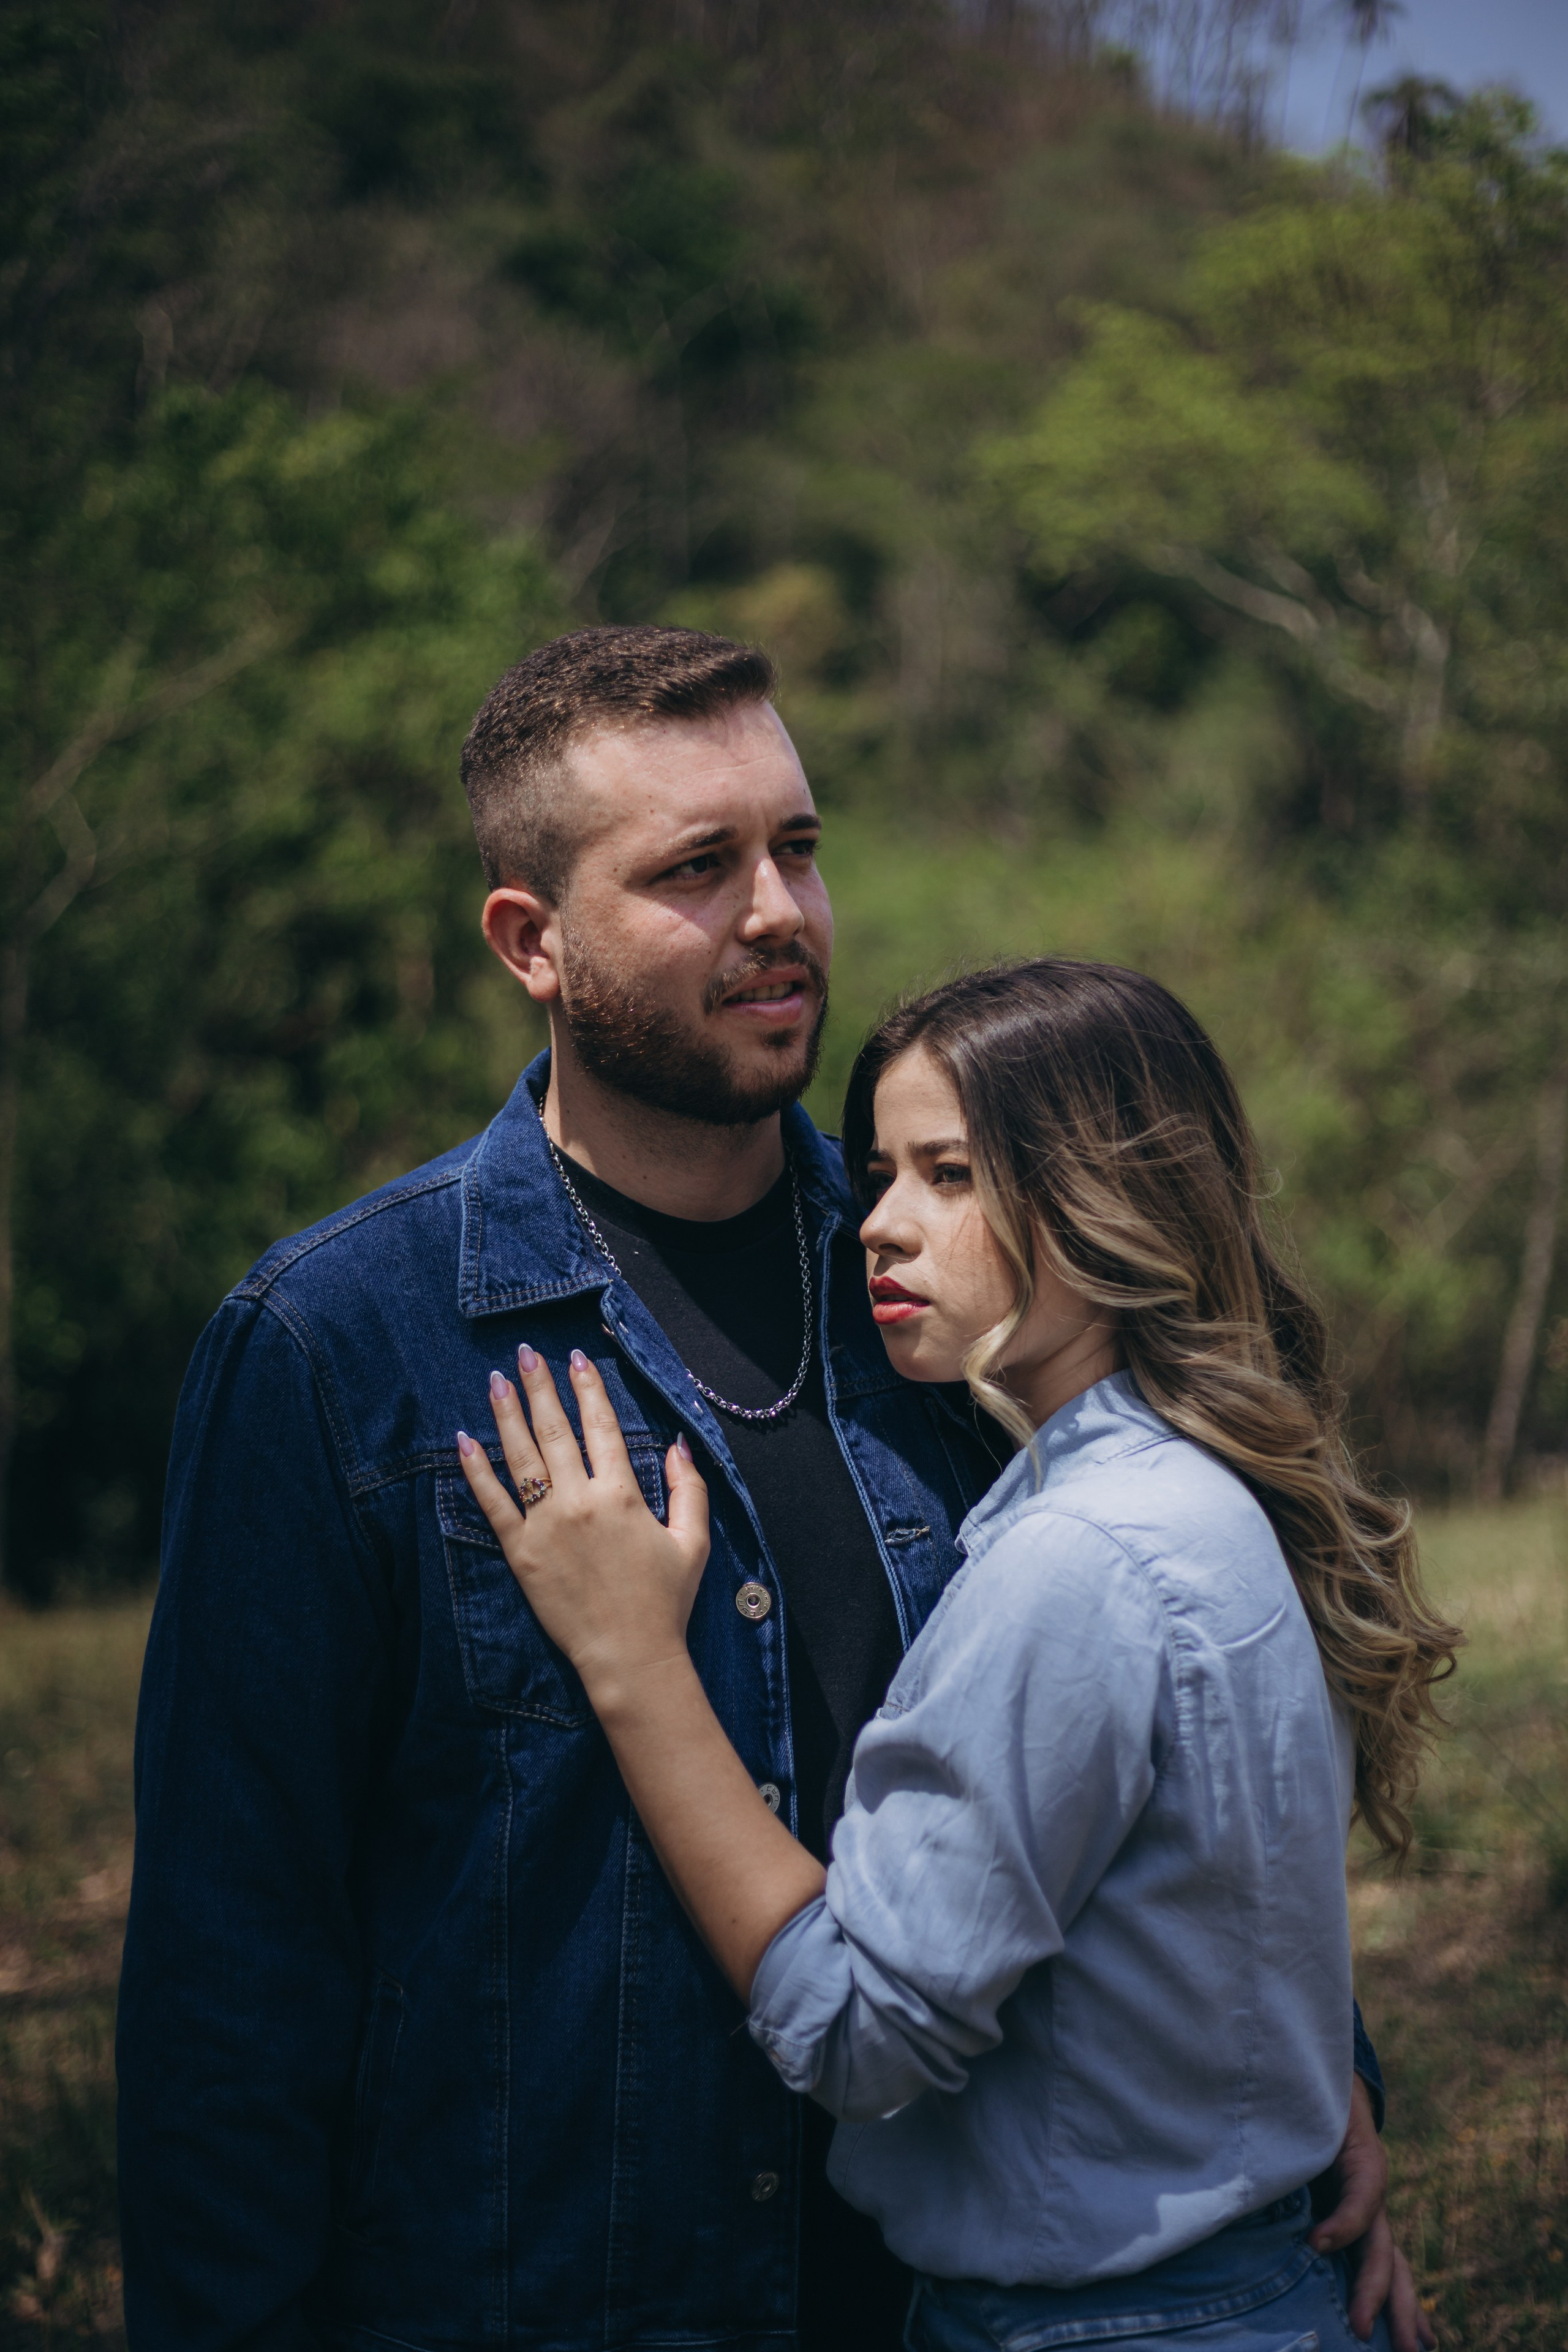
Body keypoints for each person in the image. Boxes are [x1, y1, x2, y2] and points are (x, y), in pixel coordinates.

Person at [118, 629, 1407, 2351]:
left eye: (796, 846)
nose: (780, 912)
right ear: (534, 942)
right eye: (696, 870)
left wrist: (1320, 2091)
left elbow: (1152, 1764)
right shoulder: (340, 1350)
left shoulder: (954, 1301)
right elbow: (234, 1974)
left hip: (930, 2305)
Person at [454, 959, 1460, 2352]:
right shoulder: (1201, 1493)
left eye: (949, 1175)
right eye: (875, 1175)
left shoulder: (1078, 1561)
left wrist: (633, 1664)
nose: (877, 1226)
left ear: (1112, 1198)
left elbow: (857, 2031)